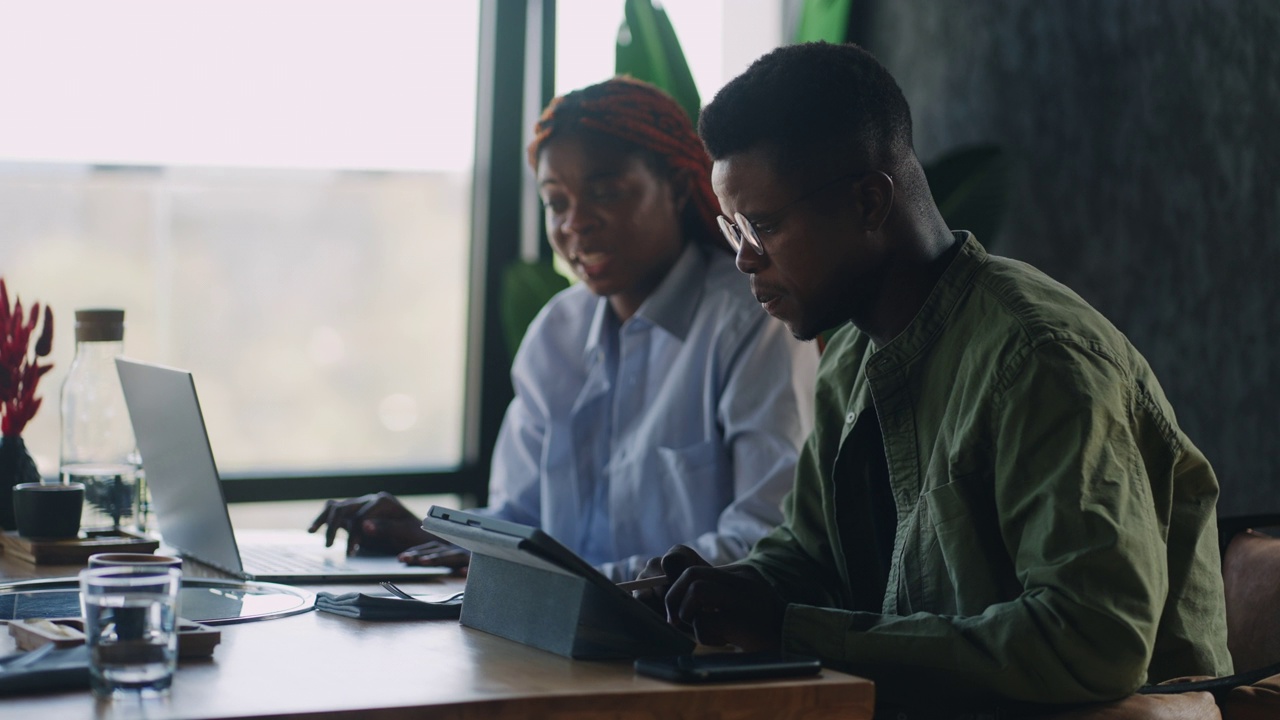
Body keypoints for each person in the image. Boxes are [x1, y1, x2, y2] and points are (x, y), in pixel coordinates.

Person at [644, 42, 1233, 716]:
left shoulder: (1041, 359)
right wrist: (713, 593)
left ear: (869, 202)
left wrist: (793, 630)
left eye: (764, 225)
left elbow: (1093, 640)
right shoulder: (851, 359)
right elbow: (811, 558)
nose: (746, 259)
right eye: (734, 228)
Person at [308, 77, 818, 582]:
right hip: (556, 637)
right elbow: (521, 518)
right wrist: (433, 533)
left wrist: (581, 582)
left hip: (692, 645)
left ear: (678, 188)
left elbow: (760, 539)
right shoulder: (558, 331)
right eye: (556, 202)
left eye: (605, 191)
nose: (575, 223)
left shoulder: (749, 323)